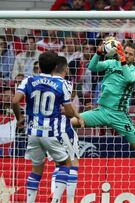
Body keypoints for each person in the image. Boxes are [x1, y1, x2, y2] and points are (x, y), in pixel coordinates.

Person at [70, 41, 135, 196]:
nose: (126, 55)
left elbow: (130, 80)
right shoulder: (111, 63)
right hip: (102, 111)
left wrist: (123, 60)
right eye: (124, 52)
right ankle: (62, 166)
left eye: (130, 54)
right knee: (70, 123)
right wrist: (99, 52)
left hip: (120, 116)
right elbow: (92, 67)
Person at [11, 51, 84, 203]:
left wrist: (20, 118)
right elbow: (69, 111)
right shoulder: (60, 84)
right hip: (51, 133)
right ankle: (56, 200)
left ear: (39, 65)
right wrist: (74, 114)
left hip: (32, 133)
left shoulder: (28, 80)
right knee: (66, 164)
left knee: (36, 170)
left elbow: (14, 101)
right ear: (55, 67)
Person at [49, 56, 81, 203]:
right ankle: (68, 200)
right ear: (65, 68)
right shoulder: (66, 84)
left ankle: (53, 193)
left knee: (58, 164)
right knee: (73, 162)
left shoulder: (40, 83)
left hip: (47, 129)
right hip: (63, 127)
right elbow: (68, 109)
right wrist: (77, 116)